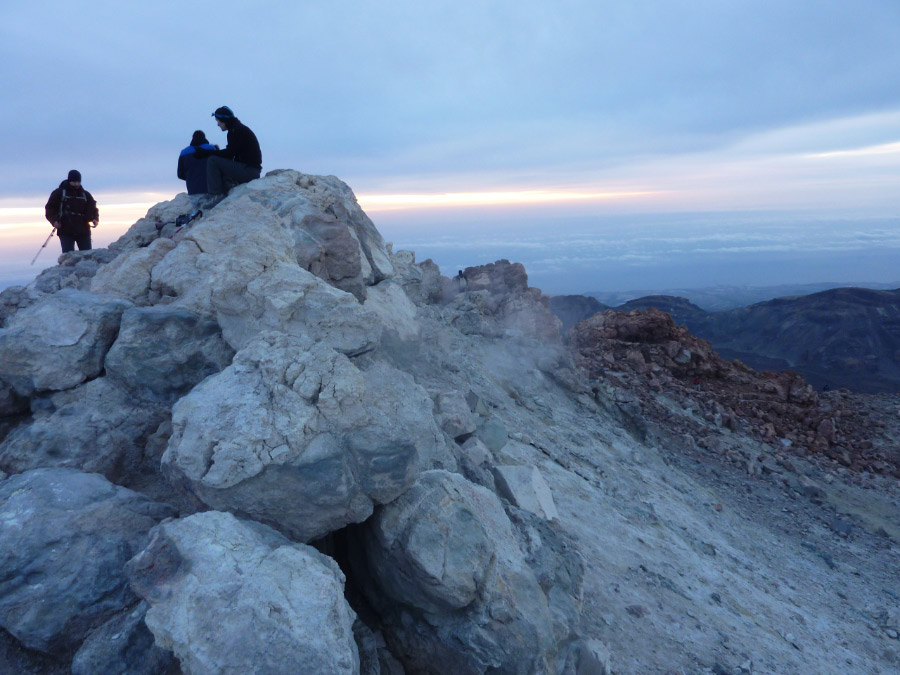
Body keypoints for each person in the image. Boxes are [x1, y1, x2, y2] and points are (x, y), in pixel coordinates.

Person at [194, 106, 262, 199]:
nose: (218, 124)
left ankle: (215, 195)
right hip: (248, 169)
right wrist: (213, 152)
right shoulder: (233, 130)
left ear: (224, 120)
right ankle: (226, 191)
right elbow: (229, 154)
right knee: (219, 161)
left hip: (250, 171)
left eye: (218, 121)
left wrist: (207, 153)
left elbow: (229, 153)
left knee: (212, 161)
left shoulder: (238, 130)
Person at [44, 170, 98, 253]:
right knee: (68, 256)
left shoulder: (85, 194)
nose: (76, 184)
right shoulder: (59, 193)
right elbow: (50, 208)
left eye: (78, 182)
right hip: (65, 230)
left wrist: (95, 219)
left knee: (87, 255)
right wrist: (54, 221)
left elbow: (93, 209)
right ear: (69, 181)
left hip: (83, 230)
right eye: (74, 182)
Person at [177, 130, 219, 209]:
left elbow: (180, 175)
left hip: (193, 192)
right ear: (204, 138)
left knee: (198, 213)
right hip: (210, 190)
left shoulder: (183, 152)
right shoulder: (212, 149)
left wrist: (191, 178)